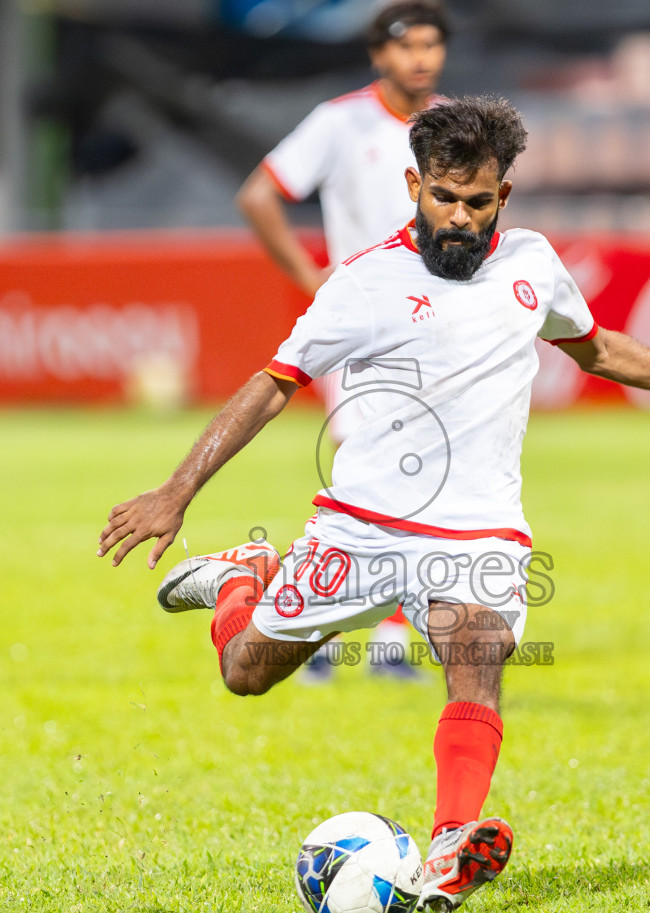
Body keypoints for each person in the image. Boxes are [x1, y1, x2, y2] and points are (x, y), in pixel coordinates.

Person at [101, 96, 650, 913]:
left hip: (478, 526)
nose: (457, 219)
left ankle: (450, 842)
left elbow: (598, 347)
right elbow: (272, 385)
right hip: (359, 525)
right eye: (442, 198)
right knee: (244, 672)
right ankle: (245, 575)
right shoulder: (363, 282)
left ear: (503, 197)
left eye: (476, 202)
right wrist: (178, 491)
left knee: (478, 650)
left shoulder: (533, 265)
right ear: (413, 185)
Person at [236, 1, 451, 682]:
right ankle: (315, 621)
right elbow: (260, 194)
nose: (420, 57)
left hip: (435, 322)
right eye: (407, 45)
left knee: (419, 473)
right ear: (378, 55)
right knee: (364, 469)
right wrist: (310, 276)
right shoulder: (341, 121)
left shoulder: (454, 125)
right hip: (362, 324)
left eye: (431, 44)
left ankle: (377, 636)